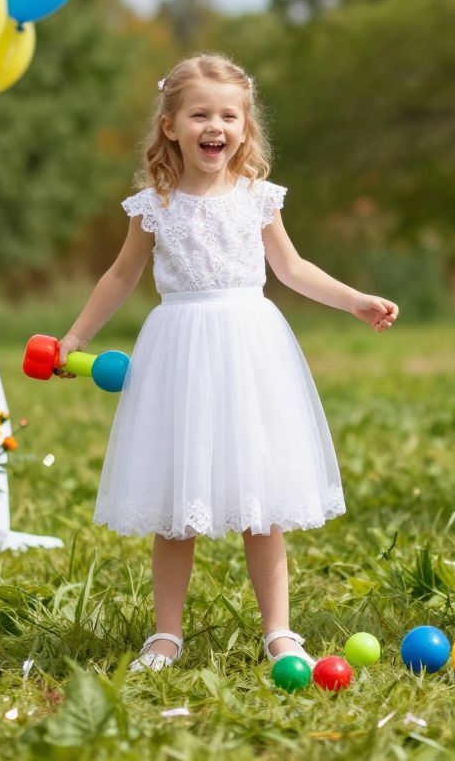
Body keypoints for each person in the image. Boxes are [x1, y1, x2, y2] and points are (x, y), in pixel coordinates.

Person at [59, 53, 399, 673]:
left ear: (245, 128)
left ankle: (279, 630)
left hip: (249, 349)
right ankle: (166, 634)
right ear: (170, 126)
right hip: (178, 349)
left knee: (260, 500)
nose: (214, 126)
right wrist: (74, 337)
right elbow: (118, 276)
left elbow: (292, 270)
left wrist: (356, 301)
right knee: (175, 502)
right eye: (199, 114)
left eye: (227, 116)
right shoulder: (154, 205)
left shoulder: (256, 198)